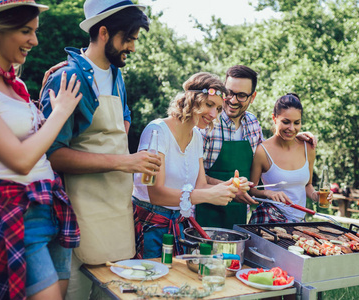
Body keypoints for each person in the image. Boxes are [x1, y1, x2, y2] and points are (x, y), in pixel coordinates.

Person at [40, 0, 161, 298]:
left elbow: (123, 123)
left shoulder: (117, 76)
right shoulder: (68, 78)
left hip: (115, 208)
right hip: (78, 214)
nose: (132, 47)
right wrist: (123, 162)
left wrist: (131, 161)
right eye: (128, 38)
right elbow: (52, 155)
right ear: (104, 32)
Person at [0, 1, 82, 299]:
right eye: (26, 31)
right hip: (14, 212)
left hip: (49, 206)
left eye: (35, 31)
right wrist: (60, 111)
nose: (35, 41)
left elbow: (33, 145)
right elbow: (21, 159)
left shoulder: (16, 86)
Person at [132, 72, 249, 258]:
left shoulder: (196, 137)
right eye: (209, 105)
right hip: (149, 225)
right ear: (191, 100)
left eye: (218, 109)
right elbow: (156, 194)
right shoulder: (157, 132)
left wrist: (229, 186)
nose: (213, 114)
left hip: (177, 224)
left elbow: (200, 185)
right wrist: (208, 196)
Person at [197, 65, 316, 229]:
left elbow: (269, 152)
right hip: (203, 216)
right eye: (229, 93)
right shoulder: (207, 123)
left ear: (252, 97)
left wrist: (294, 137)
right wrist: (229, 189)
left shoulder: (253, 123)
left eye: (241, 95)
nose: (232, 100)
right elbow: (194, 175)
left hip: (238, 219)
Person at [249, 93, 333, 223]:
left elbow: (307, 186)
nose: (292, 128)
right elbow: (251, 189)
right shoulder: (262, 151)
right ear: (274, 118)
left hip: (299, 221)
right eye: (286, 122)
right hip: (270, 217)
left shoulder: (308, 148)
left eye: (297, 123)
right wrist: (268, 193)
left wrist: (316, 196)